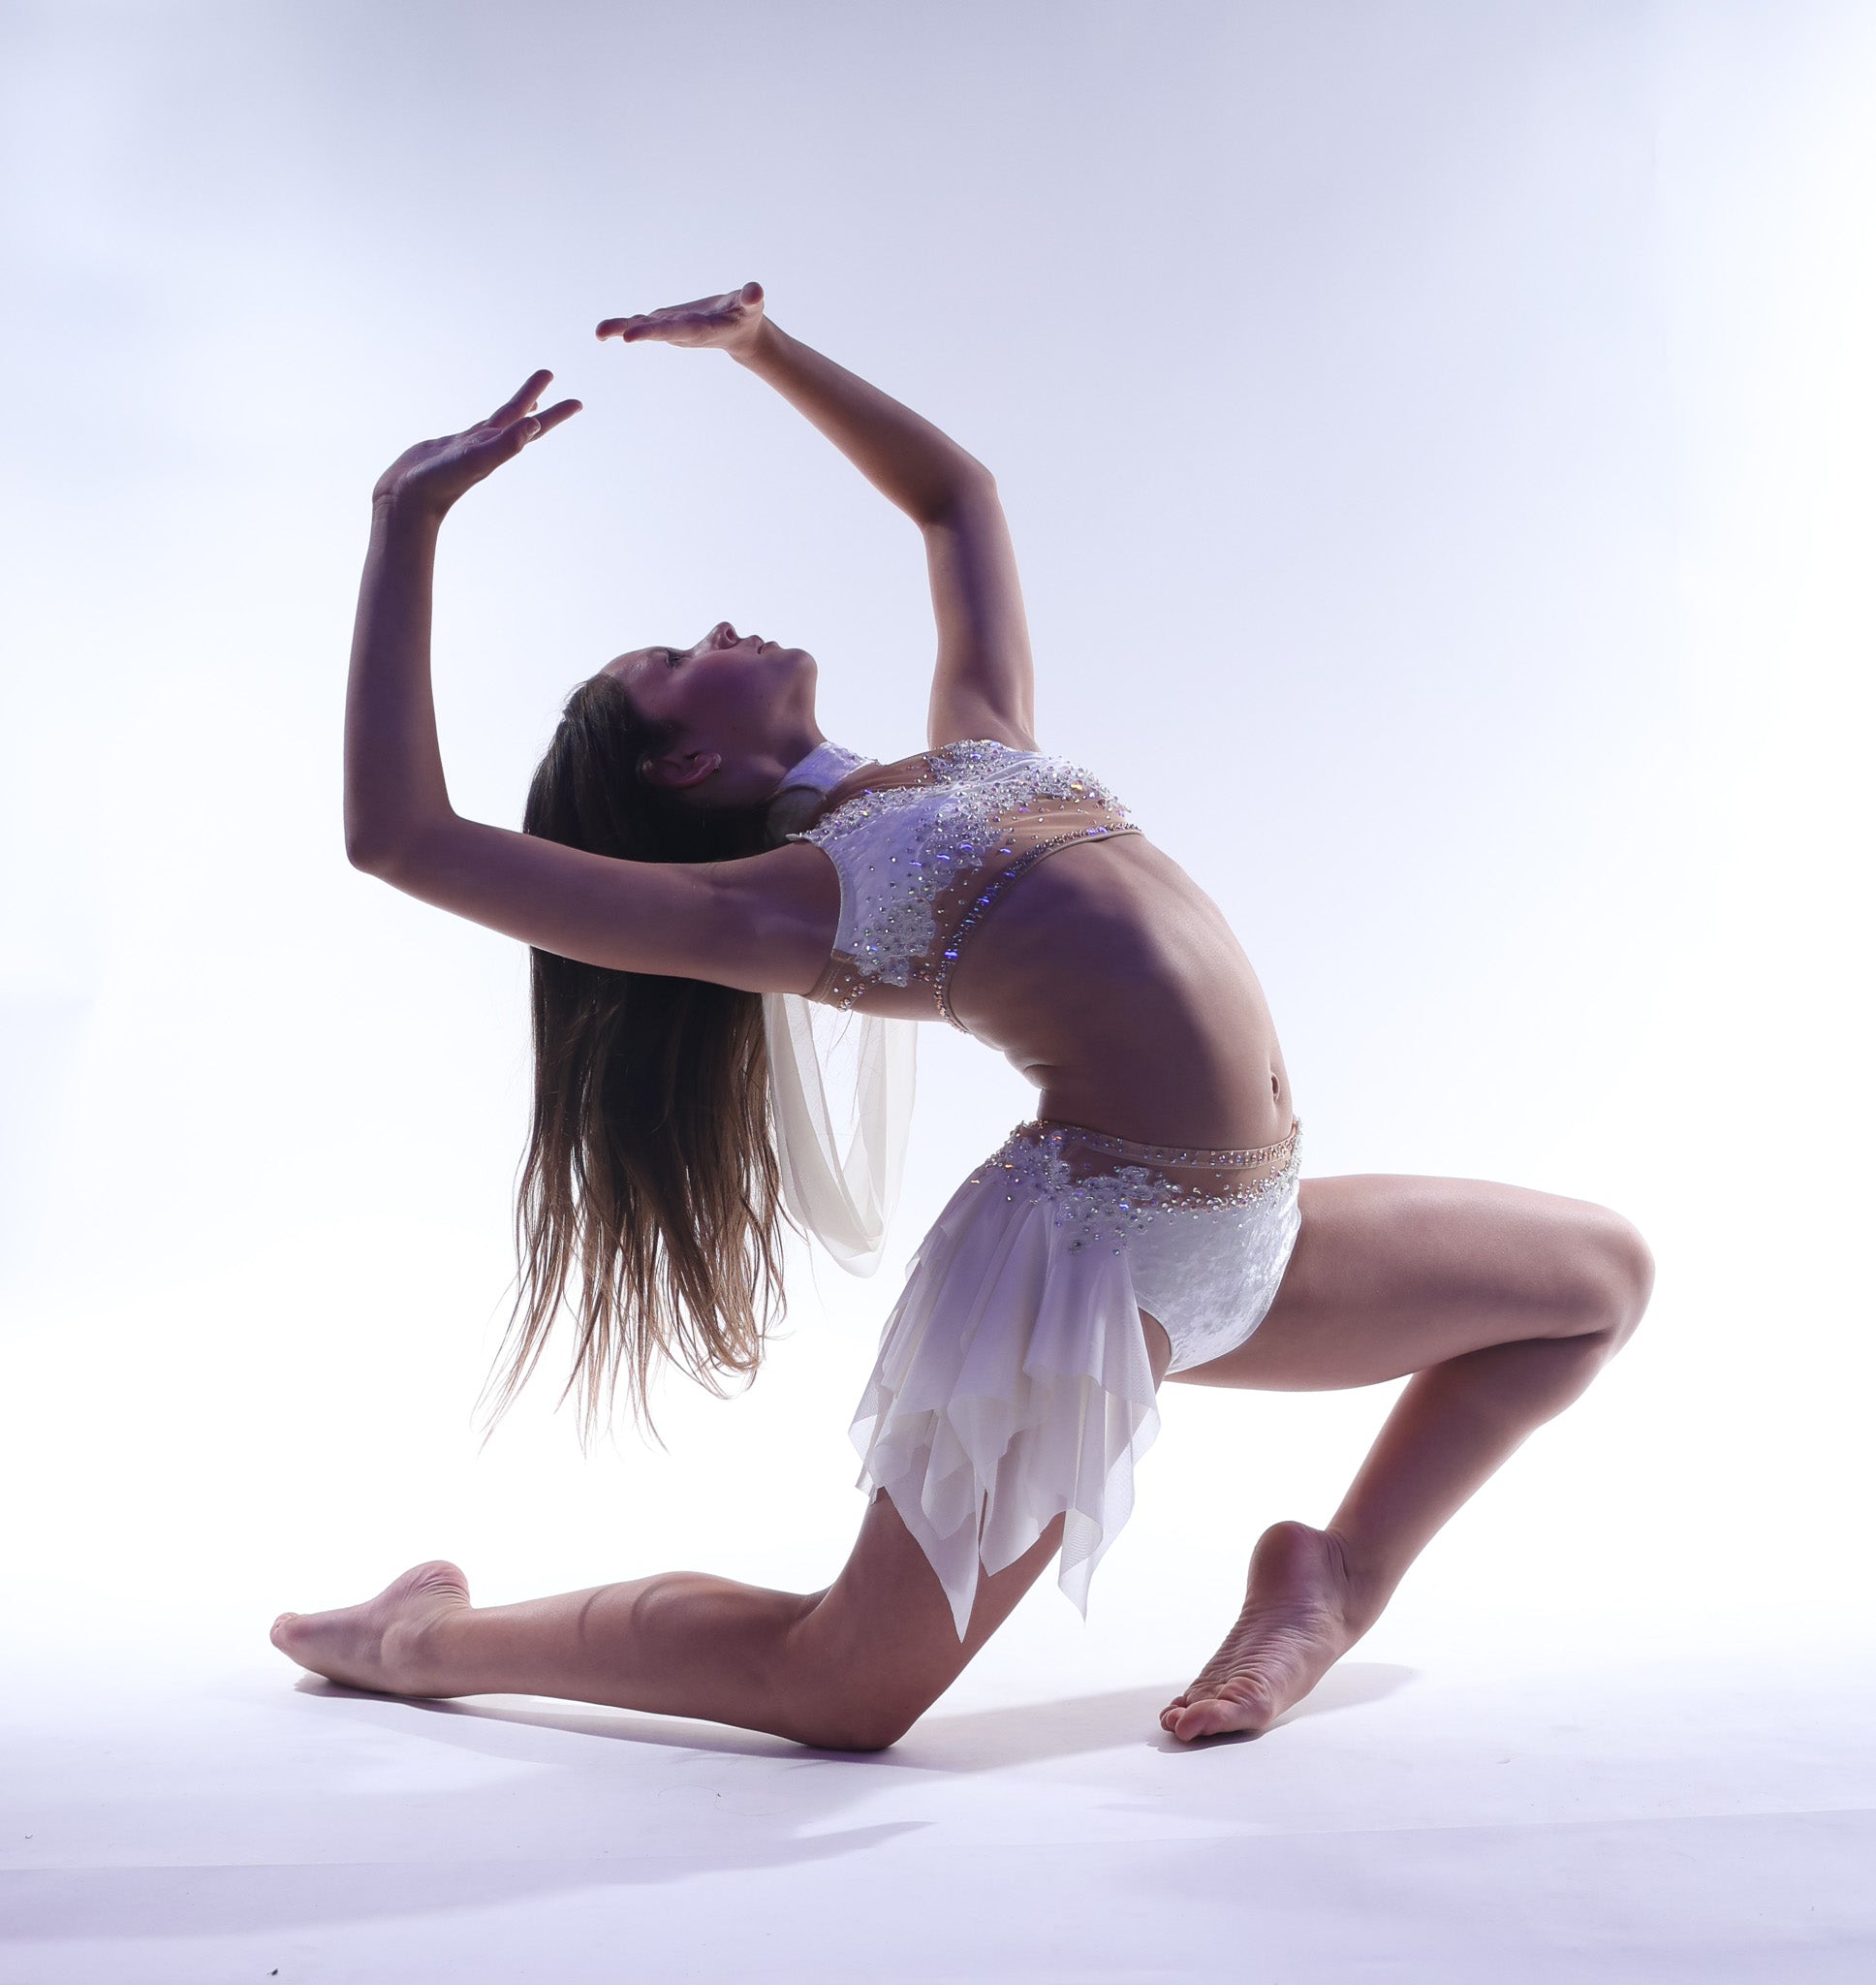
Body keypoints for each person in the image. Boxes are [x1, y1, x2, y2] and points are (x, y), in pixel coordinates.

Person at [271, 282, 1653, 1750]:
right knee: (842, 1687)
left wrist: (764, 349)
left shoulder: (979, 749)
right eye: (675, 662)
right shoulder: (784, 905)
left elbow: (956, 501)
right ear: (683, 770)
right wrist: (406, 520)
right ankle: (425, 1642)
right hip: (1088, 1271)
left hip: (1261, 1233)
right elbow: (401, 837)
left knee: (1597, 1283)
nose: (717, 628)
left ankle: (1337, 1579)